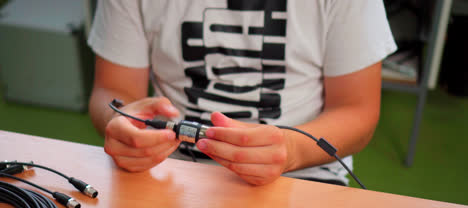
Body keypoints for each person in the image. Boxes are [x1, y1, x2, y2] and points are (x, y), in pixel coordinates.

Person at [87, 0, 397, 186]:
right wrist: (121, 122)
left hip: (304, 177)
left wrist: (290, 149)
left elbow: (358, 111)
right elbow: (112, 91)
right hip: (170, 174)